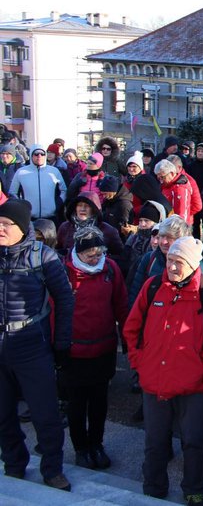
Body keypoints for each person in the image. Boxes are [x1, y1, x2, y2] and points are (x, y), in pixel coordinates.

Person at [123, 236, 203, 504]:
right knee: (155, 441)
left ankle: (194, 491)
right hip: (154, 379)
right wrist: (140, 362)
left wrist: (202, 369)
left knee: (193, 441)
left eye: (178, 262)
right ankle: (154, 489)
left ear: (193, 265)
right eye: (170, 260)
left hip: (191, 384)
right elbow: (131, 328)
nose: (171, 266)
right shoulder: (153, 286)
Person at [0, 199, 76, 491]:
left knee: (45, 415)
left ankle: (52, 469)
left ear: (22, 227)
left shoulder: (42, 257)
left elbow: (65, 299)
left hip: (32, 345)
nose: (1, 229)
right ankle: (14, 463)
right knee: (3, 414)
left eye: (7, 224)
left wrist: (62, 342)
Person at [62, 225, 128, 470]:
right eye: (90, 253)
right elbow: (53, 310)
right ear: (78, 252)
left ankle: (97, 444)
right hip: (74, 352)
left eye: (99, 252)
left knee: (99, 402)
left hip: (103, 348)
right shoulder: (64, 272)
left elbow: (121, 304)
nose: (96, 257)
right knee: (77, 403)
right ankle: (81, 448)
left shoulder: (110, 269)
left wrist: (127, 340)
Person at [10, 145, 66, 221]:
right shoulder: (21, 172)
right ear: (31, 155)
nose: (39, 156)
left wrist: (57, 205)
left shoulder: (54, 171)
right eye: (36, 154)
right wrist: (22, 206)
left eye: (42, 154)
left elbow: (64, 190)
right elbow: (13, 192)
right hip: (29, 218)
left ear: (45, 156)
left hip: (51, 217)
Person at [155, 159, 201, 225]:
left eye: (162, 177)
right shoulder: (166, 185)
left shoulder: (180, 189)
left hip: (175, 228)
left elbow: (182, 216)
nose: (161, 181)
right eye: (158, 178)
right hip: (167, 224)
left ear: (171, 173)